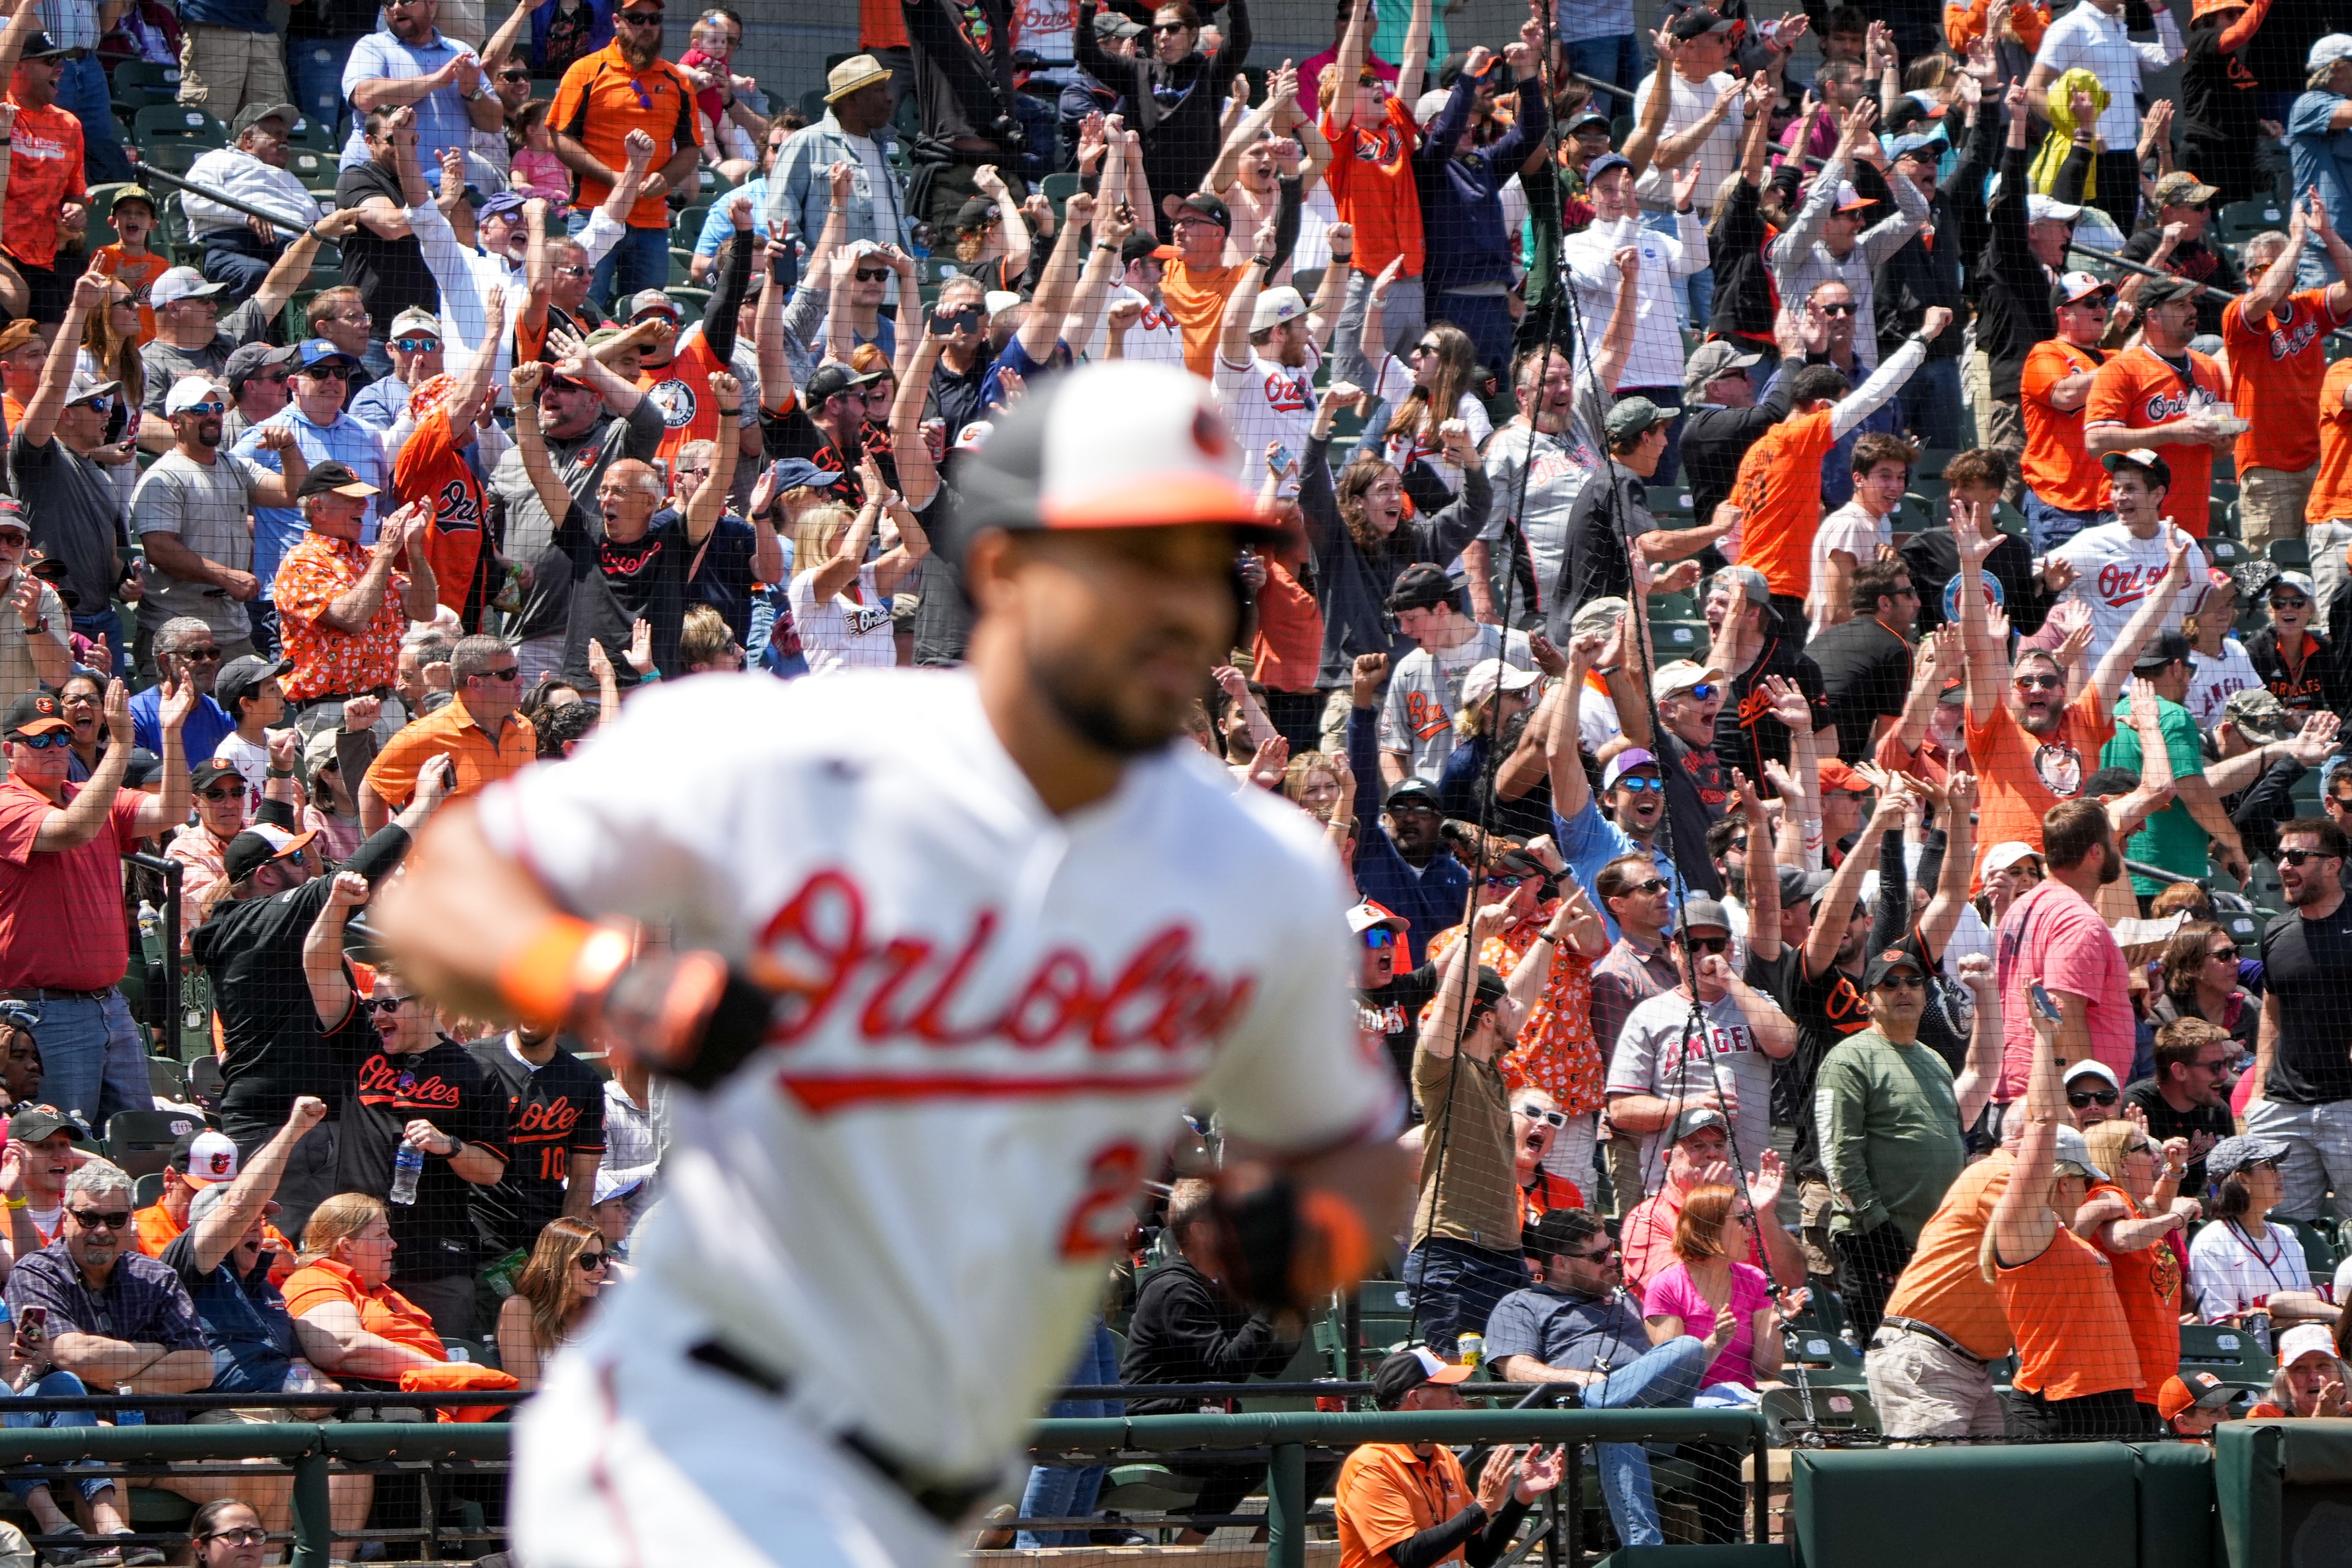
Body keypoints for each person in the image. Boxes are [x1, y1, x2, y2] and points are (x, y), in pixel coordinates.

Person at [368, 359, 1411, 1563]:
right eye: (1137, 558)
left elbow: (1346, 1150)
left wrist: (1308, 1225)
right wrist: (615, 980)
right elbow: (445, 896)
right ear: (1008, 568)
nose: (1182, 602)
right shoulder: (796, 750)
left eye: (1207, 563)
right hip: (693, 1429)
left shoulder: (1255, 862)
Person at [190, 758, 454, 1240]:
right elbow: (354, 876)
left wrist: (278, 768)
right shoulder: (255, 922)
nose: (308, 863)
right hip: (275, 1124)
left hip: (320, 1118)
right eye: (295, 859)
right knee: (285, 1257)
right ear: (267, 877)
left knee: (339, 1258)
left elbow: (275, 841)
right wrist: (425, 804)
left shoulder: (267, 915)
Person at [301, 879, 509, 1337]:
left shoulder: (476, 1072)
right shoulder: (361, 1045)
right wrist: (337, 904)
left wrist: (448, 1146)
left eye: (391, 1005)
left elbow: (491, 1170)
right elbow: (317, 966)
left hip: (436, 1257)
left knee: (444, 1377)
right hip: (355, 1255)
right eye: (375, 1005)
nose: (378, 1016)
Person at [1958, 494, 2188, 878]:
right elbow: (1977, 654)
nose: (2036, 688)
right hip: (2006, 884)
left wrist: (2172, 581)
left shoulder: (2084, 720)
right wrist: (1970, 565)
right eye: (2025, 681)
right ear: (2010, 691)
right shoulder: (1996, 728)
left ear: (2063, 690)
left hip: (2076, 885)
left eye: (2047, 681)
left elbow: (2128, 645)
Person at [1485, 1207, 1733, 1551]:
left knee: (1716, 1393)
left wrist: (1715, 1346)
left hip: (1652, 1415)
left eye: (1612, 1249)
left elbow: (1657, 1368)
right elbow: (1515, 1370)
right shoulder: (1521, 1304)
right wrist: (1580, 1381)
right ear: (1562, 1262)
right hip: (1575, 1426)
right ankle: (1647, 1556)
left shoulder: (1625, 1300)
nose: (1613, 1260)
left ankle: (1732, 1549)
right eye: (1600, 1255)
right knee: (1618, 1429)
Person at [0, 678, 189, 1126]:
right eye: (39, 738)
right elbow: (73, 831)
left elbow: (174, 810)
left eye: (61, 735)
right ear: (10, 751)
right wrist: (121, 746)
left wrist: (171, 732)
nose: (54, 746)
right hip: (44, 1011)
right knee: (56, 1137)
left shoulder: (87, 795)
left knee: (139, 1139)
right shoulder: (8, 804)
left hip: (110, 1005)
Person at [1986, 975, 2143, 1440]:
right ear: (2062, 1181)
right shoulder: (2024, 1230)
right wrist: (2046, 1039)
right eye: (2083, 1179)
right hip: (2058, 1407)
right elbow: (2042, 1122)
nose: (2088, 1189)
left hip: (2109, 1401)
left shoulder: (2065, 1233)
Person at [1816, 944, 1986, 1343]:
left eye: (1913, 982)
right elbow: (1837, 1152)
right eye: (1889, 984)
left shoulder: (1937, 1061)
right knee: (1885, 1362)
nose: (1903, 990)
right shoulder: (1848, 1059)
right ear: (1867, 999)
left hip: (1936, 1245)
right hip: (1875, 1246)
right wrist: (1876, 1224)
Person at [1121, 1176, 1301, 1543]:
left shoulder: (1216, 1286)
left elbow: (1268, 1365)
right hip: (1162, 1427)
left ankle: (1267, 1551)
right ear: (1203, 1231)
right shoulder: (1174, 1288)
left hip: (1203, 1424)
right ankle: (1187, 1551)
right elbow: (1225, 1369)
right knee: (1253, 1454)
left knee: (1315, 1454)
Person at [1404, 900, 1528, 1358]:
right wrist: (1474, 941)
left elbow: (1521, 995)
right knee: (1453, 1380)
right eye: (1507, 1001)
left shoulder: (1492, 1066)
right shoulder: (1443, 1070)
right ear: (1489, 1018)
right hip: (1452, 1256)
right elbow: (1449, 1010)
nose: (1521, 1006)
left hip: (1503, 1256)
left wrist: (1552, 935)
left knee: (1504, 1388)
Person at [1606, 896, 1795, 1195]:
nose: (1703, 954)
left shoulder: (1753, 1003)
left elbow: (1784, 1043)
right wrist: (1691, 1106)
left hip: (1747, 1183)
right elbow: (1622, 1110)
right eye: (1692, 946)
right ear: (1673, 950)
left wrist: (1730, 981)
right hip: (1677, 1187)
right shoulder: (1648, 1015)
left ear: (1730, 948)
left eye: (1715, 945)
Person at [131, 378, 308, 666]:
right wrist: (225, 575)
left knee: (253, 707)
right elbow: (159, 549)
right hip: (177, 632)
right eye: (200, 409)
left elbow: (293, 494)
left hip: (232, 631)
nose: (212, 415)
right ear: (175, 421)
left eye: (216, 407)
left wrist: (288, 449)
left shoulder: (235, 466)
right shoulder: (163, 476)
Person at [1334, 1347, 1562, 1568]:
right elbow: (1409, 1555)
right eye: (1449, 1390)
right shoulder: (1371, 1464)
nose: (1458, 1400)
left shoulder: (1443, 1457)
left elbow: (1479, 1554)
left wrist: (1521, 1497)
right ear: (1417, 1399)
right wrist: (1482, 1507)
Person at [548, 0, 701, 304]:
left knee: (647, 316)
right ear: (617, 20)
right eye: (637, 18)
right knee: (582, 306)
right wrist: (617, 179)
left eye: (654, 19)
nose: (646, 26)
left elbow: (690, 148)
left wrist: (665, 178)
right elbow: (559, 137)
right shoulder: (586, 70)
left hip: (651, 222)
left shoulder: (678, 81)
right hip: (593, 212)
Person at [2225, 201, 2352, 557]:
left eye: (2289, 268)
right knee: (2271, 571)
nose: (2285, 274)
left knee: (2320, 566)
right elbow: (2266, 295)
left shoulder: (2307, 307)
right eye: (2271, 266)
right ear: (2250, 274)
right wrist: (2296, 241)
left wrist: (2326, 234)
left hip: (2318, 462)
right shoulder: (2238, 313)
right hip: (2268, 469)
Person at [2244, 817, 2352, 1220]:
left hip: (2348, 1105)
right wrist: (2257, 1091)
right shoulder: (2275, 931)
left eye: (2297, 856)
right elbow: (2272, 1013)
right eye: (2281, 856)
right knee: (2281, 1231)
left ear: (2332, 865)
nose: (2285, 866)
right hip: (2284, 1108)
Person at [270, 470, 437, 729]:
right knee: (338, 773)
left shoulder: (370, 557)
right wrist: (387, 551)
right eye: (352, 499)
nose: (365, 505)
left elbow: (425, 610)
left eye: (364, 499)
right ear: (319, 507)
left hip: (386, 704)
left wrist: (414, 549)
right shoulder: (302, 561)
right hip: (331, 711)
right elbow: (352, 618)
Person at [2082, 277, 2234, 542]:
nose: (2192, 310)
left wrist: (2225, 440)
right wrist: (2171, 432)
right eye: (2179, 304)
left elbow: (2221, 452)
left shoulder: (2209, 367)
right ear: (2153, 316)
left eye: (2190, 302)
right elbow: (2096, 441)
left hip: (2192, 525)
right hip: (2133, 525)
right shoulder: (2121, 368)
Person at [2079, 1116, 2198, 1422]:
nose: (2155, 1156)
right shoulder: (2106, 1195)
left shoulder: (2130, 1203)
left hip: (2152, 1375)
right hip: (2127, 1381)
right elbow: (2119, 1239)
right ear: (2122, 1164)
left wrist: (2173, 1171)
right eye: (2145, 1149)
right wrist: (2176, 1219)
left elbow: (2152, 1209)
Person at [1619, 1107, 1804, 1297]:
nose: (1712, 1154)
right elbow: (1676, 1293)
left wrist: (1765, 1215)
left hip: (1753, 1323)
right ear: (1668, 1160)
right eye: (1697, 1146)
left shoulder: (1742, 1210)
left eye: (1718, 1145)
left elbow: (1793, 1278)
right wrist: (1711, 1210)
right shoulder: (1646, 1219)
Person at [2022, 0, 2182, 216]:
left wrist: (2157, 7)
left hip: (2127, 160)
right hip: (2087, 160)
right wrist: (2082, 133)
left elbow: (2173, 52)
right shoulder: (2070, 27)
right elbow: (2033, 90)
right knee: (2089, 243)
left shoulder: (2118, 34)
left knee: (2120, 243)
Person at [466, 1015, 604, 1264]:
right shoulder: (473, 1059)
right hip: (475, 1227)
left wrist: (564, 1251)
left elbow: (583, 1180)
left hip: (543, 1233)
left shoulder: (583, 1079)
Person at [1641, 1180, 1800, 1396]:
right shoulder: (1666, 1286)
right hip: (1691, 1407)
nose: (1750, 1227)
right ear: (1711, 1227)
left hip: (1742, 1402)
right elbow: (1673, 1377)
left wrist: (1774, 1325)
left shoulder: (1755, 1279)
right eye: (1742, 1219)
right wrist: (1716, 1342)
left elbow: (1768, 1369)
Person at [358, 636, 535, 829]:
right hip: (438, 858)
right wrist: (383, 857)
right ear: (475, 683)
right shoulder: (424, 734)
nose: (520, 681)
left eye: (516, 671)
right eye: (508, 675)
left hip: (501, 859)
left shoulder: (525, 728)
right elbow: (372, 790)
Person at [766, 55, 917, 282]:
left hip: (887, 293)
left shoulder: (883, 146)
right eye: (879, 90)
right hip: (830, 298)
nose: (889, 98)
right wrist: (814, 277)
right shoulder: (806, 143)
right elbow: (782, 224)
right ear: (853, 97)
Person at [1378, 565, 1531, 787]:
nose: (1404, 630)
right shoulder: (1408, 670)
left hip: (1508, 800)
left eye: (1411, 619)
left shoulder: (1517, 649)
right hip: (1437, 810)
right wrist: (1405, 801)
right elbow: (1392, 750)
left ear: (1441, 608)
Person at [337, 0, 503, 194]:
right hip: (380, 186)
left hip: (447, 185)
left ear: (432, 4)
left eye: (406, 0)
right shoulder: (372, 46)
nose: (396, 8)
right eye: (389, 2)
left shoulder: (461, 52)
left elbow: (493, 123)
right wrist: (434, 81)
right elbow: (365, 98)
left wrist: (473, 93)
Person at [279, 1194, 450, 1381]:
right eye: (381, 1235)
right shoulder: (313, 1280)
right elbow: (342, 1346)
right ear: (347, 1247)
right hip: (391, 1403)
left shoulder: (378, 1288)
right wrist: (441, 1369)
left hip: (440, 1394)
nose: (393, 1244)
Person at [2186, 1134, 2334, 1348]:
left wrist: (2272, 1317)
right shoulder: (2212, 1244)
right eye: (2270, 1165)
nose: (2280, 1175)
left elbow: (2306, 1305)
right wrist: (2294, 1320)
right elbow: (2223, 1325)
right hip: (2247, 1359)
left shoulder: (2287, 1237)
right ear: (2243, 1178)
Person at [182, 105, 331, 303]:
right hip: (229, 247)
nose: (285, 140)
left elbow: (317, 221)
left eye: (287, 136)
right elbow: (194, 200)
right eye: (276, 134)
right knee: (258, 274)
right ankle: (252, 334)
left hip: (284, 251)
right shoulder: (220, 159)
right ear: (248, 139)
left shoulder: (291, 178)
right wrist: (246, 215)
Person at [133, 1127, 293, 1281]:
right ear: (170, 1180)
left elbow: (303, 1284)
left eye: (227, 1194)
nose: (218, 1205)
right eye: (202, 1194)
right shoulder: (136, 1232)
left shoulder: (261, 1230)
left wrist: (292, 1267)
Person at [2125, 1016, 2240, 1194]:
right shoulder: (2136, 1108)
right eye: (2216, 1067)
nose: (2225, 1075)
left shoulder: (2217, 1110)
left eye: (2226, 1063)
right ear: (2179, 1071)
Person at [495, 1216, 606, 1392]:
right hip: (550, 1414)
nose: (601, 1268)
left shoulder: (609, 1299)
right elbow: (525, 1387)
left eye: (603, 1258)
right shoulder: (520, 1309)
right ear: (560, 1262)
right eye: (588, 1261)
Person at [0, 499, 68, 707]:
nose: (3, 547)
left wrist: (34, 623)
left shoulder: (43, 596)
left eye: (14, 540)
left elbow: (58, 677)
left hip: (14, 735)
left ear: (25, 546)